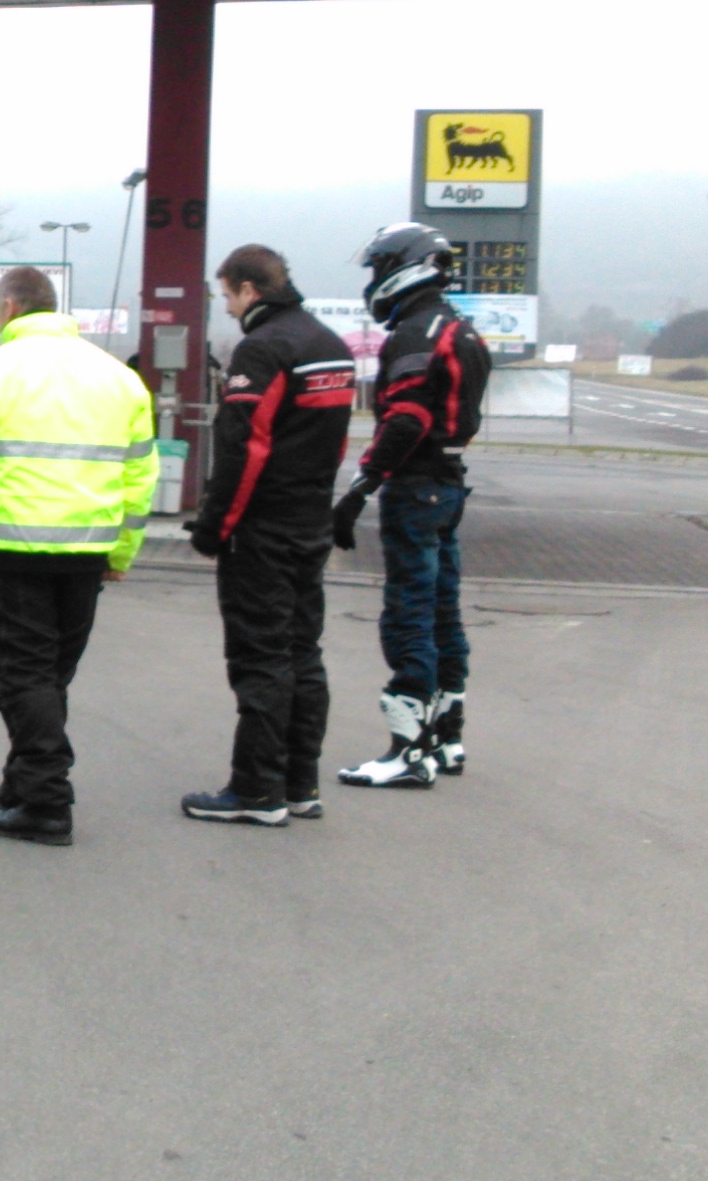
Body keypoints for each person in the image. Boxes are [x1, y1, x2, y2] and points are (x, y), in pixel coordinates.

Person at [0, 267, 157, 845]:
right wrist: (123, 551)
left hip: (13, 552)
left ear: (9, 307)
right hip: (87, 555)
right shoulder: (121, 380)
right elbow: (139, 480)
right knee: (49, 678)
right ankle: (22, 784)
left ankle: (46, 800)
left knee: (21, 677)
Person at [179, 244, 357, 825]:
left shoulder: (262, 349)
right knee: (304, 652)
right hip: (310, 522)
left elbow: (244, 449)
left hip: (262, 531)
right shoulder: (331, 346)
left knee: (261, 657)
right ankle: (300, 782)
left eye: (227, 295)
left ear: (250, 290)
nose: (228, 308)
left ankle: (257, 791)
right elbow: (335, 443)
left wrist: (213, 528)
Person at [331, 222, 491, 788]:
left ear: (404, 268)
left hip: (416, 487)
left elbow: (407, 419)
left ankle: (408, 752)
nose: (374, 279)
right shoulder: (460, 328)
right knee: (443, 610)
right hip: (449, 482)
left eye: (379, 267)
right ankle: (447, 738)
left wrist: (360, 488)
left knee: (409, 614)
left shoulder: (415, 334)